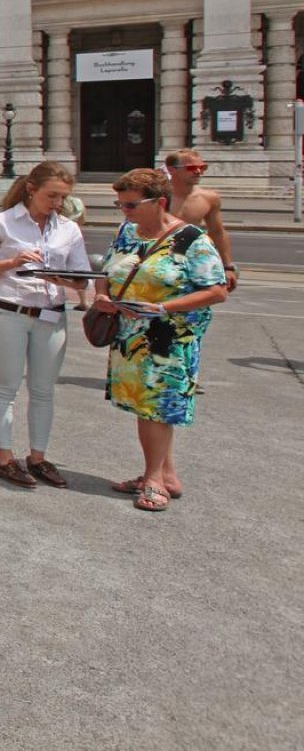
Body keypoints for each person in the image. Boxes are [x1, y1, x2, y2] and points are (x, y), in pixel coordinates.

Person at [95, 167, 229, 512]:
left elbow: (216, 290)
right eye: (121, 204)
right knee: (147, 407)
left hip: (169, 337)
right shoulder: (127, 232)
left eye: (131, 205)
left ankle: (154, 480)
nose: (124, 211)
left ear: (160, 202)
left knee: (156, 407)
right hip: (130, 335)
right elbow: (107, 270)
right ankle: (165, 474)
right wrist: (103, 295)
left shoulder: (191, 240)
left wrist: (161, 306)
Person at [0, 161, 93, 489]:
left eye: (62, 197)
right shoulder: (1, 222)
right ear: (31, 189)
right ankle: (4, 457)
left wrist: (64, 278)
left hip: (51, 314)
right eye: (51, 195)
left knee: (43, 390)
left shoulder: (68, 228)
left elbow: (82, 278)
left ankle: (38, 457)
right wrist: (13, 262)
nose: (56, 203)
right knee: (5, 386)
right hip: (9, 311)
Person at [165, 149, 238, 292]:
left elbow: (217, 232)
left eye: (203, 167)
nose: (198, 171)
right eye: (191, 168)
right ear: (172, 169)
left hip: (191, 260)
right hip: (157, 259)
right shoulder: (157, 196)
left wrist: (227, 267)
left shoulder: (209, 198)